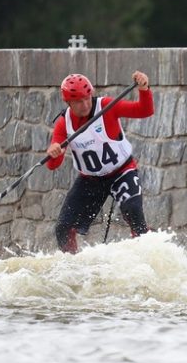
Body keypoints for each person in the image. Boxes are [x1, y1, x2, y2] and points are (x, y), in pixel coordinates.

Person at [46, 71, 154, 252]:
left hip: (122, 172)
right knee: (63, 228)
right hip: (90, 180)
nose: (85, 104)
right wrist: (54, 153)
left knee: (134, 211)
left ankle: (149, 254)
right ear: (68, 103)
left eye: (87, 98)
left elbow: (145, 110)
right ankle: (71, 268)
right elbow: (52, 165)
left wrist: (144, 89)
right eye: (79, 101)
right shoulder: (63, 124)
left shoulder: (105, 106)